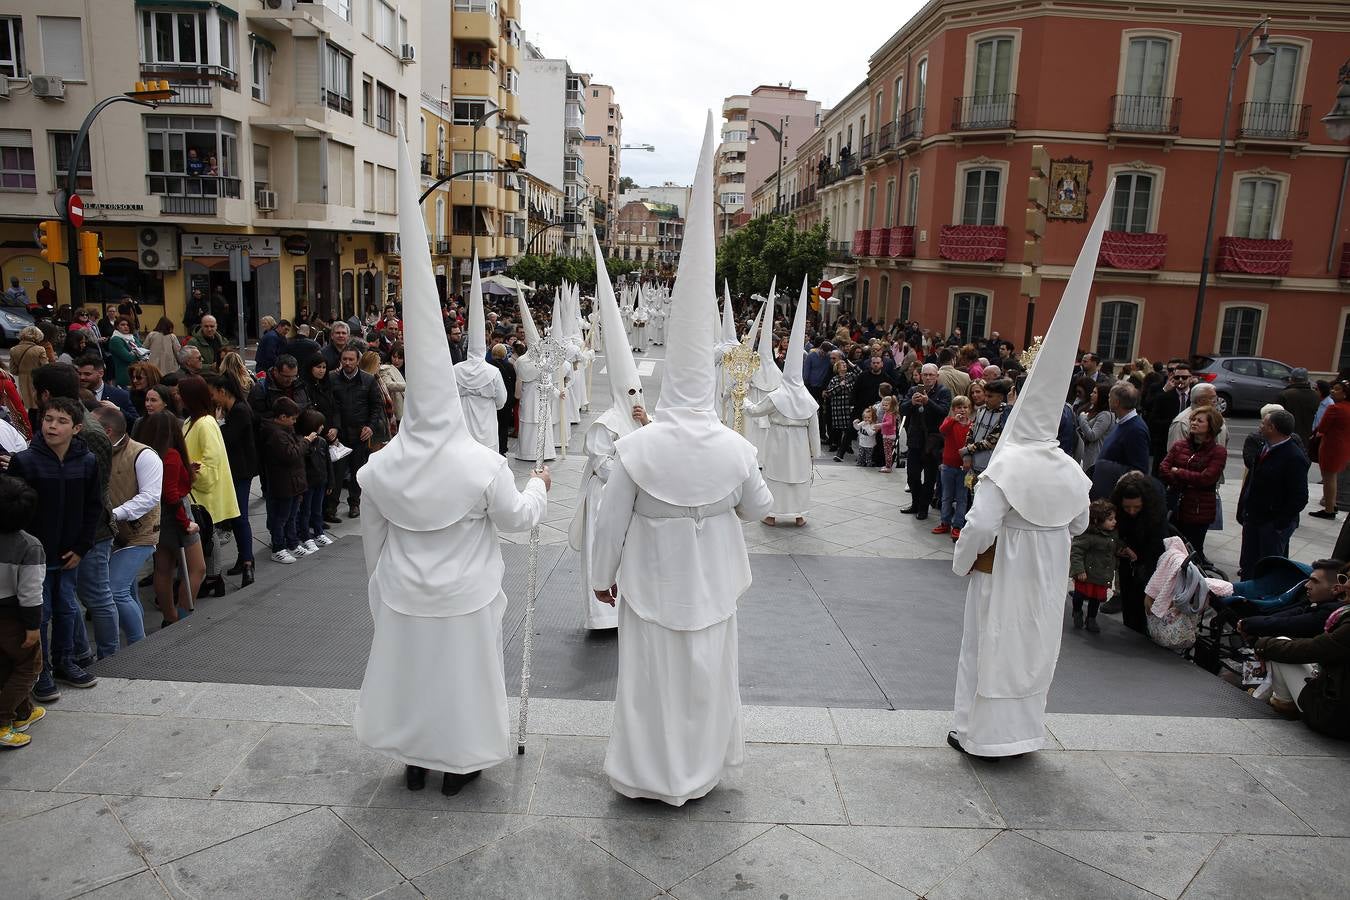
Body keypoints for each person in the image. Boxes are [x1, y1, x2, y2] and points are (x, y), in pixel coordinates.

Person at [354, 132, 550, 797]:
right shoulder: (482, 463)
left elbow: (371, 543)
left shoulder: (380, 469)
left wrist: (381, 594)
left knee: (413, 676)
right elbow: (518, 521)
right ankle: (459, 762)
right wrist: (542, 487)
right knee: (463, 681)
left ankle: (414, 757)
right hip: (465, 597)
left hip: (406, 595)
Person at [590, 119, 773, 803]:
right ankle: (699, 772)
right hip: (714, 581)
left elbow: (610, 526)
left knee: (649, 682)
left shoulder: (638, 446)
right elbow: (764, 509)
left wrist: (602, 579)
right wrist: (717, 498)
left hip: (651, 582)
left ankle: (647, 772)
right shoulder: (735, 445)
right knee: (704, 679)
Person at [949, 194, 1108, 762]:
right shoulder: (1069, 468)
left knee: (987, 646)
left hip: (1005, 569)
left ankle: (979, 733)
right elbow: (1080, 521)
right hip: (1046, 569)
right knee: (1036, 644)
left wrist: (962, 562)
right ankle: (1023, 733)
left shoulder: (1006, 465)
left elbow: (980, 524)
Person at [570, 235, 645, 632]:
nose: (636, 398)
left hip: (630, 499)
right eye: (630, 392)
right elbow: (603, 465)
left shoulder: (641, 419)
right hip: (605, 499)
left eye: (640, 392)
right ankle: (602, 619)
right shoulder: (606, 423)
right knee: (603, 552)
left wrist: (646, 426)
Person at [7, 397, 103, 700]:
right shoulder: (26, 461)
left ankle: (65, 661)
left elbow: (93, 507)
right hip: (35, 556)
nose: (52, 426)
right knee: (41, 613)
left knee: (67, 608)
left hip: (70, 553)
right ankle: (40, 669)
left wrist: (82, 546)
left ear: (76, 428)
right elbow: (14, 509)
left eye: (61, 421)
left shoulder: (87, 462)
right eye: (48, 419)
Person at [744, 279, 820, 528]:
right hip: (798, 446)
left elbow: (756, 411)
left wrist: (742, 400)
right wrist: (815, 452)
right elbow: (814, 430)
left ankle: (772, 514)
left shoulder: (778, 396)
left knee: (775, 478)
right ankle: (799, 514)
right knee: (797, 478)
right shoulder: (808, 399)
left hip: (778, 441)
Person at [91, 407, 155, 650]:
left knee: (116, 591)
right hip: (111, 533)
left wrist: (113, 514)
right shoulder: (98, 451)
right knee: (127, 590)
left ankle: (139, 648)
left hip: (139, 533)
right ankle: (137, 642)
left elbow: (150, 497)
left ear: (107, 430)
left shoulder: (143, 454)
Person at [137, 411, 203, 625]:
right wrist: (187, 524)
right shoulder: (172, 455)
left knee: (163, 567)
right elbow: (172, 494)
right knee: (197, 567)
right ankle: (184, 615)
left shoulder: (144, 454)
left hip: (156, 515)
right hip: (176, 513)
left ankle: (169, 617)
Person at [1253, 599, 1350, 738]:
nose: (1345, 584)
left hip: (1335, 717)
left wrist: (1263, 645)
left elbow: (1313, 649)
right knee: (1280, 646)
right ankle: (1272, 701)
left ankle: (1283, 706)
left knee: (1279, 646)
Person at [179, 375, 239, 597]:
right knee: (205, 534)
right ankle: (210, 577)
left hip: (204, 490)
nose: (177, 397)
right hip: (195, 487)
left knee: (208, 535)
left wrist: (193, 473)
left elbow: (212, 460)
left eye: (181, 394)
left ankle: (213, 577)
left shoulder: (205, 423)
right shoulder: (191, 420)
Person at [0, 475, 46, 749]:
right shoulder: (29, 546)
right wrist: (32, 627)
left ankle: (22, 712)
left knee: (5, 664)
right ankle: (3, 719)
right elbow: (30, 594)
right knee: (29, 666)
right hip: (14, 617)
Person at [1238, 409, 1310, 579]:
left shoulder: (1293, 457)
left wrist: (1279, 524)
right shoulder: (1265, 447)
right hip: (1254, 518)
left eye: (1264, 423)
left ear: (1273, 428)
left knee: (1267, 568)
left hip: (1271, 524)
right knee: (1248, 563)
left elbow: (1300, 497)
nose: (1260, 426)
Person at [1159, 406, 1227, 559]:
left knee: (1192, 550)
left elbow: (1206, 478)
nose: (1194, 423)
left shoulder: (1218, 452)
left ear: (1211, 426)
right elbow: (1164, 468)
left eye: (1199, 421)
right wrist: (1181, 480)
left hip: (1198, 509)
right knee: (1170, 549)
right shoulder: (1180, 445)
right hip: (1175, 503)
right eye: (1193, 420)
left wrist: (1179, 472)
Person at [208, 375, 257, 588]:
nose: (211, 398)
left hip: (240, 471)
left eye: (212, 393)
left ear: (223, 391)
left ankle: (247, 562)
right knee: (235, 515)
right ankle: (243, 558)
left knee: (239, 516)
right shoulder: (232, 410)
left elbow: (228, 438)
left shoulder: (239, 411)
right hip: (233, 470)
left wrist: (218, 424)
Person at [454, 262, 508, 451]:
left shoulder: (456, 370)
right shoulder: (492, 372)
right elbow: (501, 401)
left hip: (462, 425)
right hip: (486, 424)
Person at [327, 346, 384, 520]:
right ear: (340, 360)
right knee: (337, 472)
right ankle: (331, 507)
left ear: (357, 360)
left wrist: (370, 426)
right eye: (345, 359)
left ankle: (354, 503)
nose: (348, 363)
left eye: (351, 359)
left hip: (360, 433)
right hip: (340, 434)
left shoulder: (368, 380)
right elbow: (329, 405)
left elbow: (376, 405)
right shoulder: (332, 378)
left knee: (357, 471)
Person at [1108, 471, 1169, 631]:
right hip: (1128, 558)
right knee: (1128, 596)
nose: (1132, 511)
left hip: (1150, 555)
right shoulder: (1117, 508)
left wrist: (1143, 561)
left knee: (1146, 596)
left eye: (1136, 507)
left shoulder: (1155, 509)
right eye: (1127, 507)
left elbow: (1158, 544)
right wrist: (1120, 547)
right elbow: (1111, 532)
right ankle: (1130, 627)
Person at [260, 398, 311, 564]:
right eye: (292, 418)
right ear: (282, 417)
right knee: (281, 517)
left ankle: (292, 543)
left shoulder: (285, 431)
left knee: (291, 515)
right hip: (283, 483)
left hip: (293, 482)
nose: (294, 422)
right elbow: (291, 455)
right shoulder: (276, 434)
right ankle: (278, 547)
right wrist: (306, 442)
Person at [900, 363, 951, 520]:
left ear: (937, 376)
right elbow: (902, 409)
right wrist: (912, 403)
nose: (928, 377)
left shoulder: (943, 392)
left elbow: (943, 411)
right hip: (915, 439)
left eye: (931, 375)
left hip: (932, 440)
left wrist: (928, 402)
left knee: (929, 478)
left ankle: (923, 508)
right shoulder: (913, 390)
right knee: (912, 475)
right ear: (921, 376)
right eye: (925, 375)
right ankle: (915, 503)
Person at [1092, 382, 1150, 498]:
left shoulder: (1136, 430)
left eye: (1109, 397)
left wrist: (1105, 466)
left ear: (1116, 402)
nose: (1108, 400)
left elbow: (1139, 470)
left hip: (1116, 494)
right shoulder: (1122, 422)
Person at [1069, 499, 1118, 633]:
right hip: (1086, 573)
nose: (1114, 521)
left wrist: (1125, 550)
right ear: (1097, 520)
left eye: (1114, 518)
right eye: (1110, 519)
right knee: (1079, 595)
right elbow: (1076, 552)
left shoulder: (1113, 535)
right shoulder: (1087, 535)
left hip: (1101, 574)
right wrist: (1079, 570)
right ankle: (1077, 611)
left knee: (1096, 599)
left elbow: (1117, 547)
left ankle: (1091, 618)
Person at [295, 408, 334, 554]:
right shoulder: (302, 442)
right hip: (307, 484)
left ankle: (319, 533)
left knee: (317, 510)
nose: (323, 427)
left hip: (320, 482)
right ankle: (305, 536)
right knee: (305, 511)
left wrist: (330, 482)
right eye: (320, 424)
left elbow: (328, 463)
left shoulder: (322, 442)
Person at [1311, 381, 1350, 520]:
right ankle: (1331, 505)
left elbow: (1322, 428)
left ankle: (1329, 509)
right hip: (1344, 446)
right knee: (1332, 477)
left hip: (1331, 447)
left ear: (1345, 394)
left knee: (1328, 478)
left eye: (1337, 389)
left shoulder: (1335, 408)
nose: (1333, 391)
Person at [937, 395, 973, 539]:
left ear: (969, 409)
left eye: (965, 407)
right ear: (953, 409)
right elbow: (942, 430)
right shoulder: (950, 422)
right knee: (946, 496)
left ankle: (958, 525)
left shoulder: (972, 425)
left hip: (965, 468)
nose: (962, 410)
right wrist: (953, 419)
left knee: (962, 497)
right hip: (948, 465)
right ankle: (945, 522)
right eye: (959, 407)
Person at [76, 354, 138, 428]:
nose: (82, 377)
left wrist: (117, 409)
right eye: (79, 374)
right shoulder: (74, 393)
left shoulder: (120, 395)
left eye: (87, 374)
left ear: (101, 373)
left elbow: (135, 422)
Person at [1076, 381, 1115, 472]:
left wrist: (1082, 419)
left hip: (1095, 458)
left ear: (1102, 396)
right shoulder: (1096, 411)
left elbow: (1092, 436)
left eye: (1095, 393)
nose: (1091, 394)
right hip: (1088, 455)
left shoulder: (1105, 415)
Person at [1279, 367, 1321, 446]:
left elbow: (1276, 417)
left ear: (1291, 379)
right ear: (1306, 380)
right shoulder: (1316, 396)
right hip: (1306, 437)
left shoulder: (1285, 394)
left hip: (1286, 437)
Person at [10, 326, 48, 411]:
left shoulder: (13, 350)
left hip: (23, 381)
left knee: (28, 407)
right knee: (39, 406)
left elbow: (13, 370)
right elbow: (45, 367)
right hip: (37, 380)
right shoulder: (40, 349)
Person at [107, 318, 147, 387]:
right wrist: (138, 353)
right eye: (122, 325)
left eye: (128, 325)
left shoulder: (132, 337)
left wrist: (135, 353)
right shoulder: (116, 340)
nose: (126, 326)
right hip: (125, 376)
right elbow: (129, 358)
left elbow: (145, 352)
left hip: (139, 373)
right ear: (117, 326)